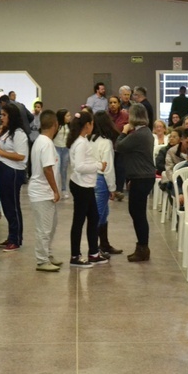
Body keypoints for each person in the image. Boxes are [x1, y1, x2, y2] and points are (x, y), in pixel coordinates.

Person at [115, 103, 155, 263]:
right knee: (137, 212)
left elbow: (119, 146)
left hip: (142, 177)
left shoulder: (139, 134)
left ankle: (143, 248)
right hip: (142, 176)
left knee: (138, 213)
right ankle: (142, 247)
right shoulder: (145, 132)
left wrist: (123, 131)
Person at [67, 111, 107, 268]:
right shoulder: (81, 143)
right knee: (79, 220)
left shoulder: (81, 140)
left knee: (94, 218)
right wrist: (98, 165)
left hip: (86, 185)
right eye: (92, 124)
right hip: (81, 186)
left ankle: (93, 252)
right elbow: (79, 167)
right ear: (87, 125)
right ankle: (75, 256)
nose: (93, 126)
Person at [0, 103, 29, 252]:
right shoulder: (7, 132)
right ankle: (12, 235)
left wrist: (0, 152)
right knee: (6, 205)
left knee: (13, 205)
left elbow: (21, 156)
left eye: (4, 115)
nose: (2, 118)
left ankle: (16, 239)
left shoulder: (19, 133)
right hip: (4, 169)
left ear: (12, 116)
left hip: (13, 172)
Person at [28, 110, 62, 272]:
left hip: (43, 191)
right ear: (55, 125)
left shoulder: (40, 141)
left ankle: (47, 254)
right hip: (42, 192)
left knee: (50, 226)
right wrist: (56, 190)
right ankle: (42, 260)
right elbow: (47, 169)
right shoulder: (46, 143)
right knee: (44, 228)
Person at [91, 111, 121, 255]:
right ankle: (94, 249)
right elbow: (108, 167)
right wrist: (112, 187)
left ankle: (104, 244)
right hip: (101, 180)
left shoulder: (89, 140)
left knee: (103, 213)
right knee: (98, 215)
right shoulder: (106, 142)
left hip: (90, 178)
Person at [53, 109, 71, 197]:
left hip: (66, 149)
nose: (69, 117)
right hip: (57, 148)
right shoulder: (56, 125)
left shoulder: (69, 126)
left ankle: (64, 189)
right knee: (56, 168)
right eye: (67, 116)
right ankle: (55, 188)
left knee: (64, 170)